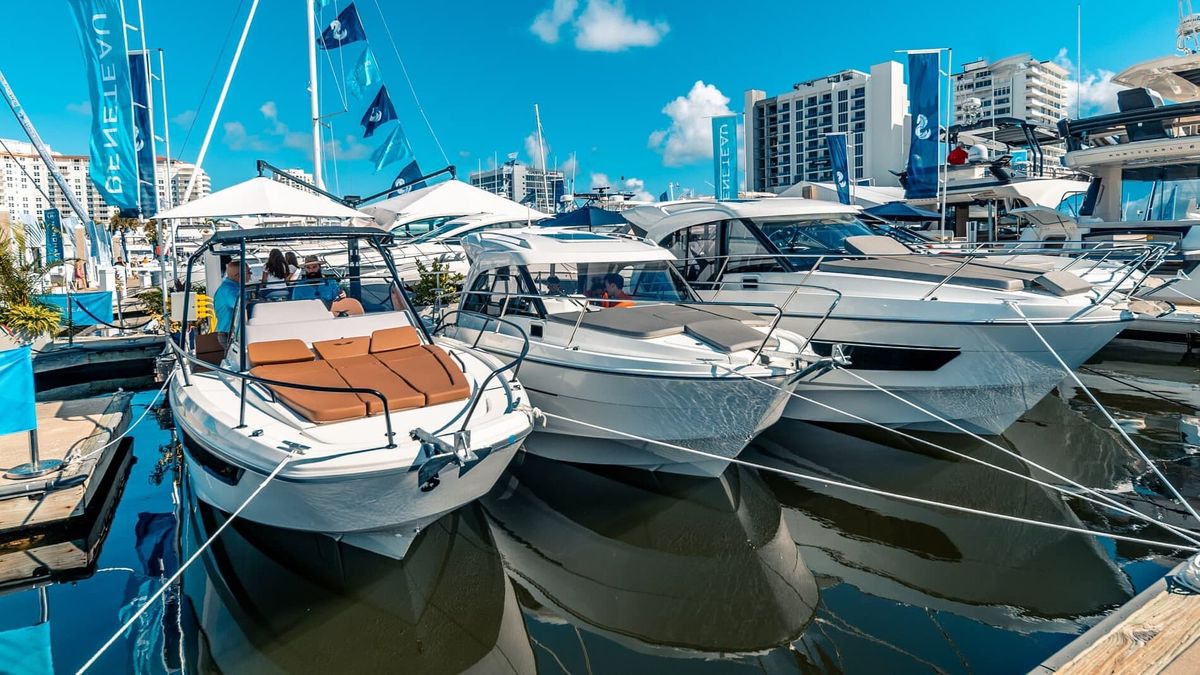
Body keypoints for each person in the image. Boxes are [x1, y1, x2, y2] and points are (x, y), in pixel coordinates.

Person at [212, 260, 243, 349]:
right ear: (238, 275)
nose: (251, 274)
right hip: (229, 334)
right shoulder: (229, 290)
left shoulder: (232, 287)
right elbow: (241, 306)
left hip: (230, 333)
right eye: (248, 272)